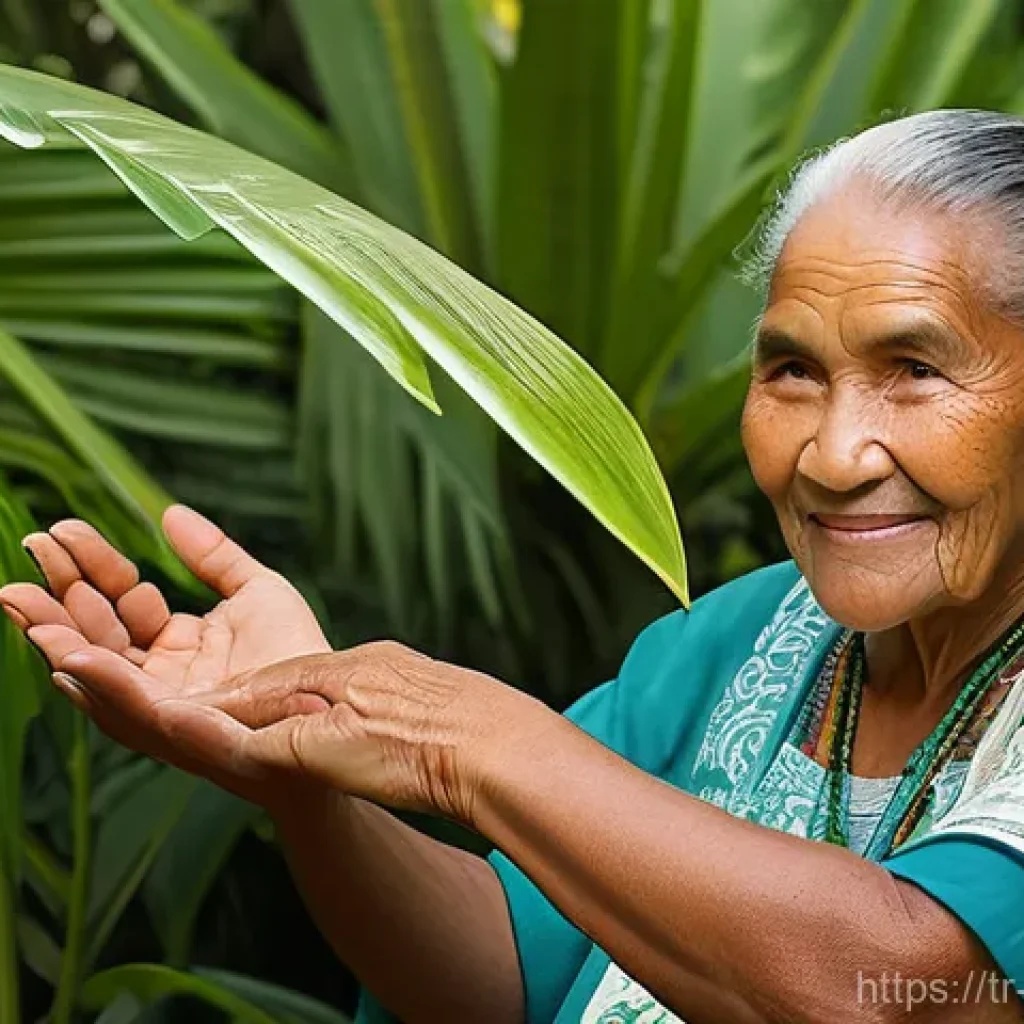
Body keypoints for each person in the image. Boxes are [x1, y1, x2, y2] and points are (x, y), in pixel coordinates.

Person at [3, 107, 1024, 1023]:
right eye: (792, 369)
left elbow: (894, 993)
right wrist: (302, 768)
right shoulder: (738, 639)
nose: (832, 455)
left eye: (915, 371)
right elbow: (507, 973)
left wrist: (473, 740)